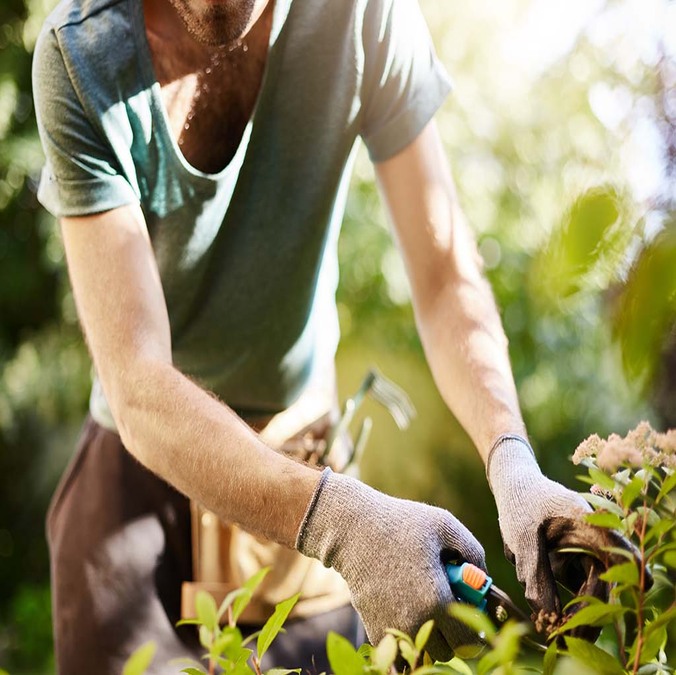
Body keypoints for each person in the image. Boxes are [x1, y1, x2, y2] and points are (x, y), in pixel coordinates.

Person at [31, 0, 636, 672]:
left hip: (301, 454)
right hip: (136, 485)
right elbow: (137, 383)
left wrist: (512, 461)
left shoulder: (362, 15)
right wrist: (341, 522)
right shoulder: (81, 56)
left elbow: (444, 276)